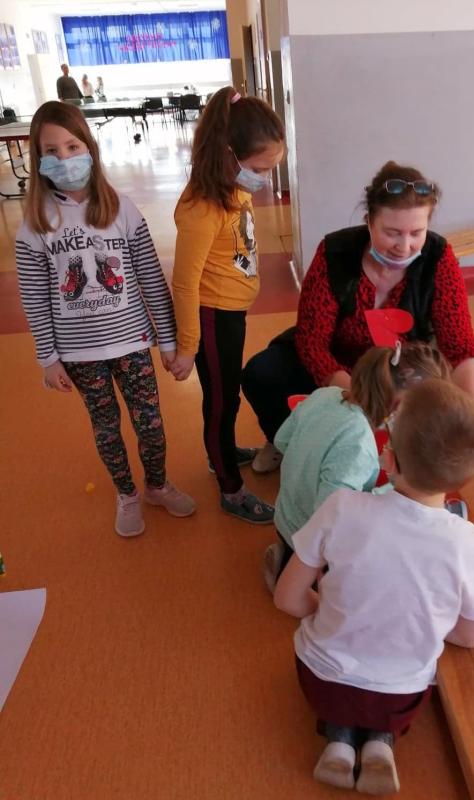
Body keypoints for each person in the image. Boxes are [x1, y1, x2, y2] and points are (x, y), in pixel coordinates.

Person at [274, 380, 474, 794]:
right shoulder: (473, 544)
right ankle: (381, 743)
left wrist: (331, 606)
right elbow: (470, 636)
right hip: (400, 696)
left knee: (335, 683)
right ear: (464, 478)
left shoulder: (341, 507)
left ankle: (339, 742)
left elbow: (287, 598)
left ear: (390, 456)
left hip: (321, 683)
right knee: (389, 697)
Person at [15, 101, 195, 537]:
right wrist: (48, 359)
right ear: (38, 159)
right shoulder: (35, 224)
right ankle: (126, 494)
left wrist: (169, 340)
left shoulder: (121, 208)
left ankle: (156, 485)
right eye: (51, 151)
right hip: (79, 355)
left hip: (133, 343)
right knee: (106, 427)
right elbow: (35, 300)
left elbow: (151, 277)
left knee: (150, 423)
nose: (64, 158)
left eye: (72, 146)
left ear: (89, 148)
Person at [242, 160, 474, 474]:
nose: (404, 246)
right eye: (392, 233)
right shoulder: (334, 253)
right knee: (262, 373)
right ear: (369, 221)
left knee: (425, 420)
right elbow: (312, 343)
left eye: (417, 233)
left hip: (400, 371)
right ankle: (283, 440)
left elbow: (462, 347)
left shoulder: (439, 258)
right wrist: (361, 398)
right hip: (336, 362)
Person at [169, 86, 285, 524]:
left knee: (225, 395)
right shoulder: (202, 207)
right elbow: (185, 283)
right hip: (212, 317)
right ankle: (231, 490)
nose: (264, 179)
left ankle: (221, 454)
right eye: (258, 169)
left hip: (231, 313)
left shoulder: (233, 187)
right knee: (222, 401)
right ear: (227, 155)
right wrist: (186, 346)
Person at [264, 341, 451, 591]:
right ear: (398, 408)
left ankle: (286, 558)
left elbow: (282, 440)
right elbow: (332, 516)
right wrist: (391, 494)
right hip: (308, 539)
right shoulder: (358, 444)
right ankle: (292, 574)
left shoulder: (325, 394)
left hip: (285, 515)